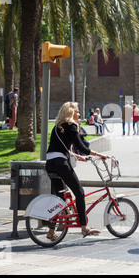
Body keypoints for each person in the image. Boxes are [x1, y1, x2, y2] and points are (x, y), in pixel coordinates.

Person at [46, 102, 109, 240]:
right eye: (77, 111)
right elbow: (81, 147)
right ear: (71, 112)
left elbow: (61, 148)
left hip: (50, 163)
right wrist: (99, 155)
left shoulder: (57, 127)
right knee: (79, 193)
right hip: (60, 164)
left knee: (60, 198)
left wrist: (78, 157)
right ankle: (85, 227)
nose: (79, 114)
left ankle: (51, 230)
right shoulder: (72, 126)